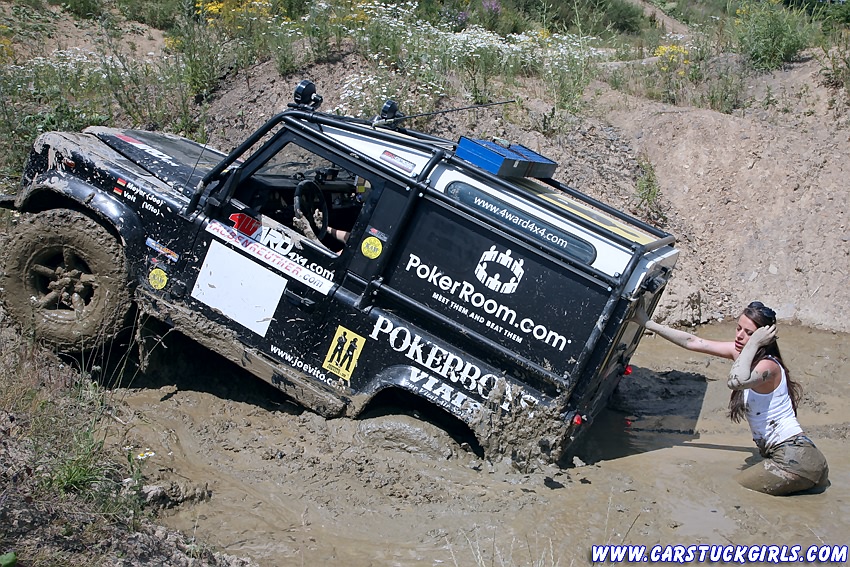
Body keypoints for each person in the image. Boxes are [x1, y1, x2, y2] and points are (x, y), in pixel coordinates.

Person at [632, 301, 829, 496]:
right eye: (738, 328)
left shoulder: (768, 366)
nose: (740, 336)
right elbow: (692, 342)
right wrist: (647, 322)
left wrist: (753, 344)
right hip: (801, 460)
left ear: (763, 337)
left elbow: (736, 381)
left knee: (734, 491)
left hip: (795, 461)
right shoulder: (742, 356)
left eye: (749, 333)